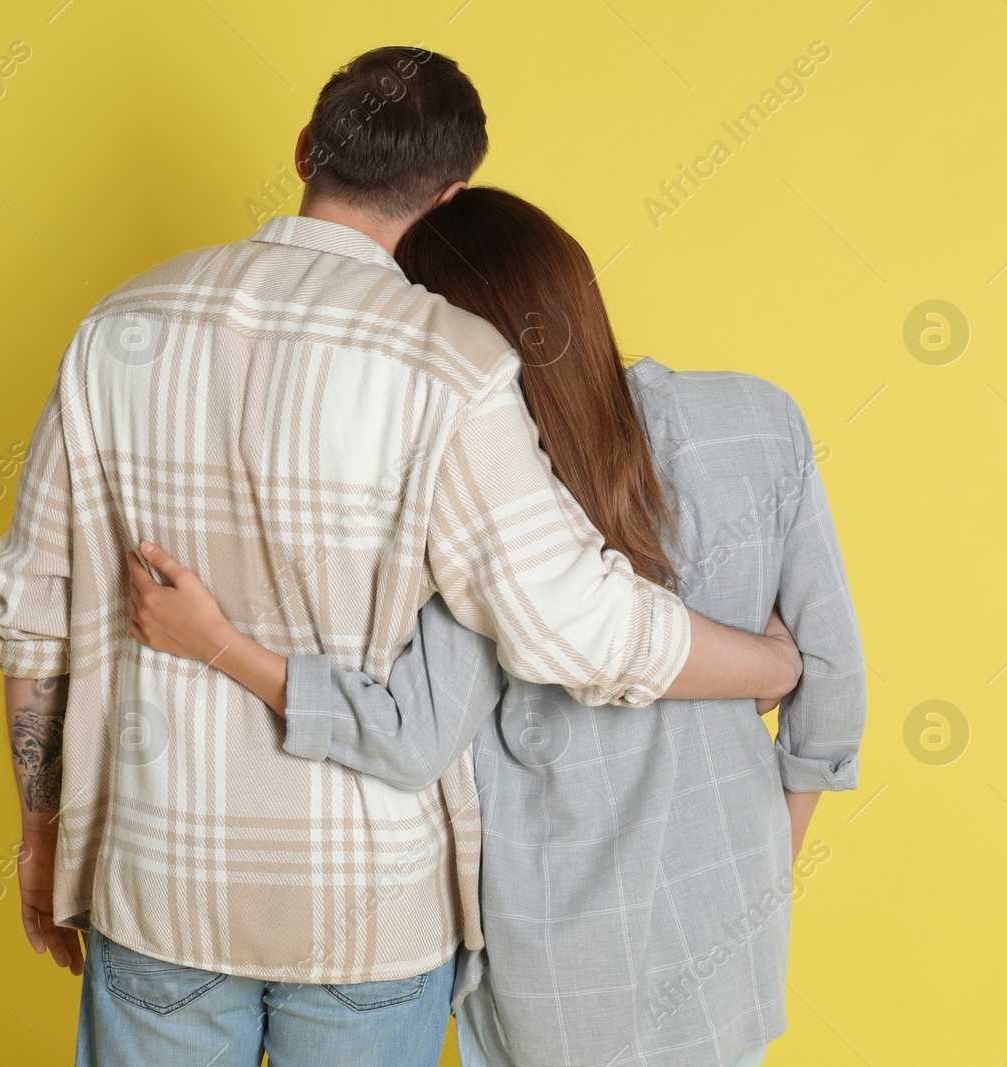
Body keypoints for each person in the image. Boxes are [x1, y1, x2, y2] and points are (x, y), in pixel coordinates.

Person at [0, 47, 802, 1066]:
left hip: (159, 879)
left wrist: (43, 831)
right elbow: (574, 623)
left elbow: (31, 612)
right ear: (447, 196)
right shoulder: (451, 364)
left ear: (303, 151)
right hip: (367, 912)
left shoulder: (118, 329)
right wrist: (769, 662)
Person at [124, 188, 865, 1066]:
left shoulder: (480, 487)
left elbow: (409, 734)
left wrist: (220, 642)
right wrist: (763, 867)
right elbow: (833, 683)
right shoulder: (757, 420)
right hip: (732, 941)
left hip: (554, 973)